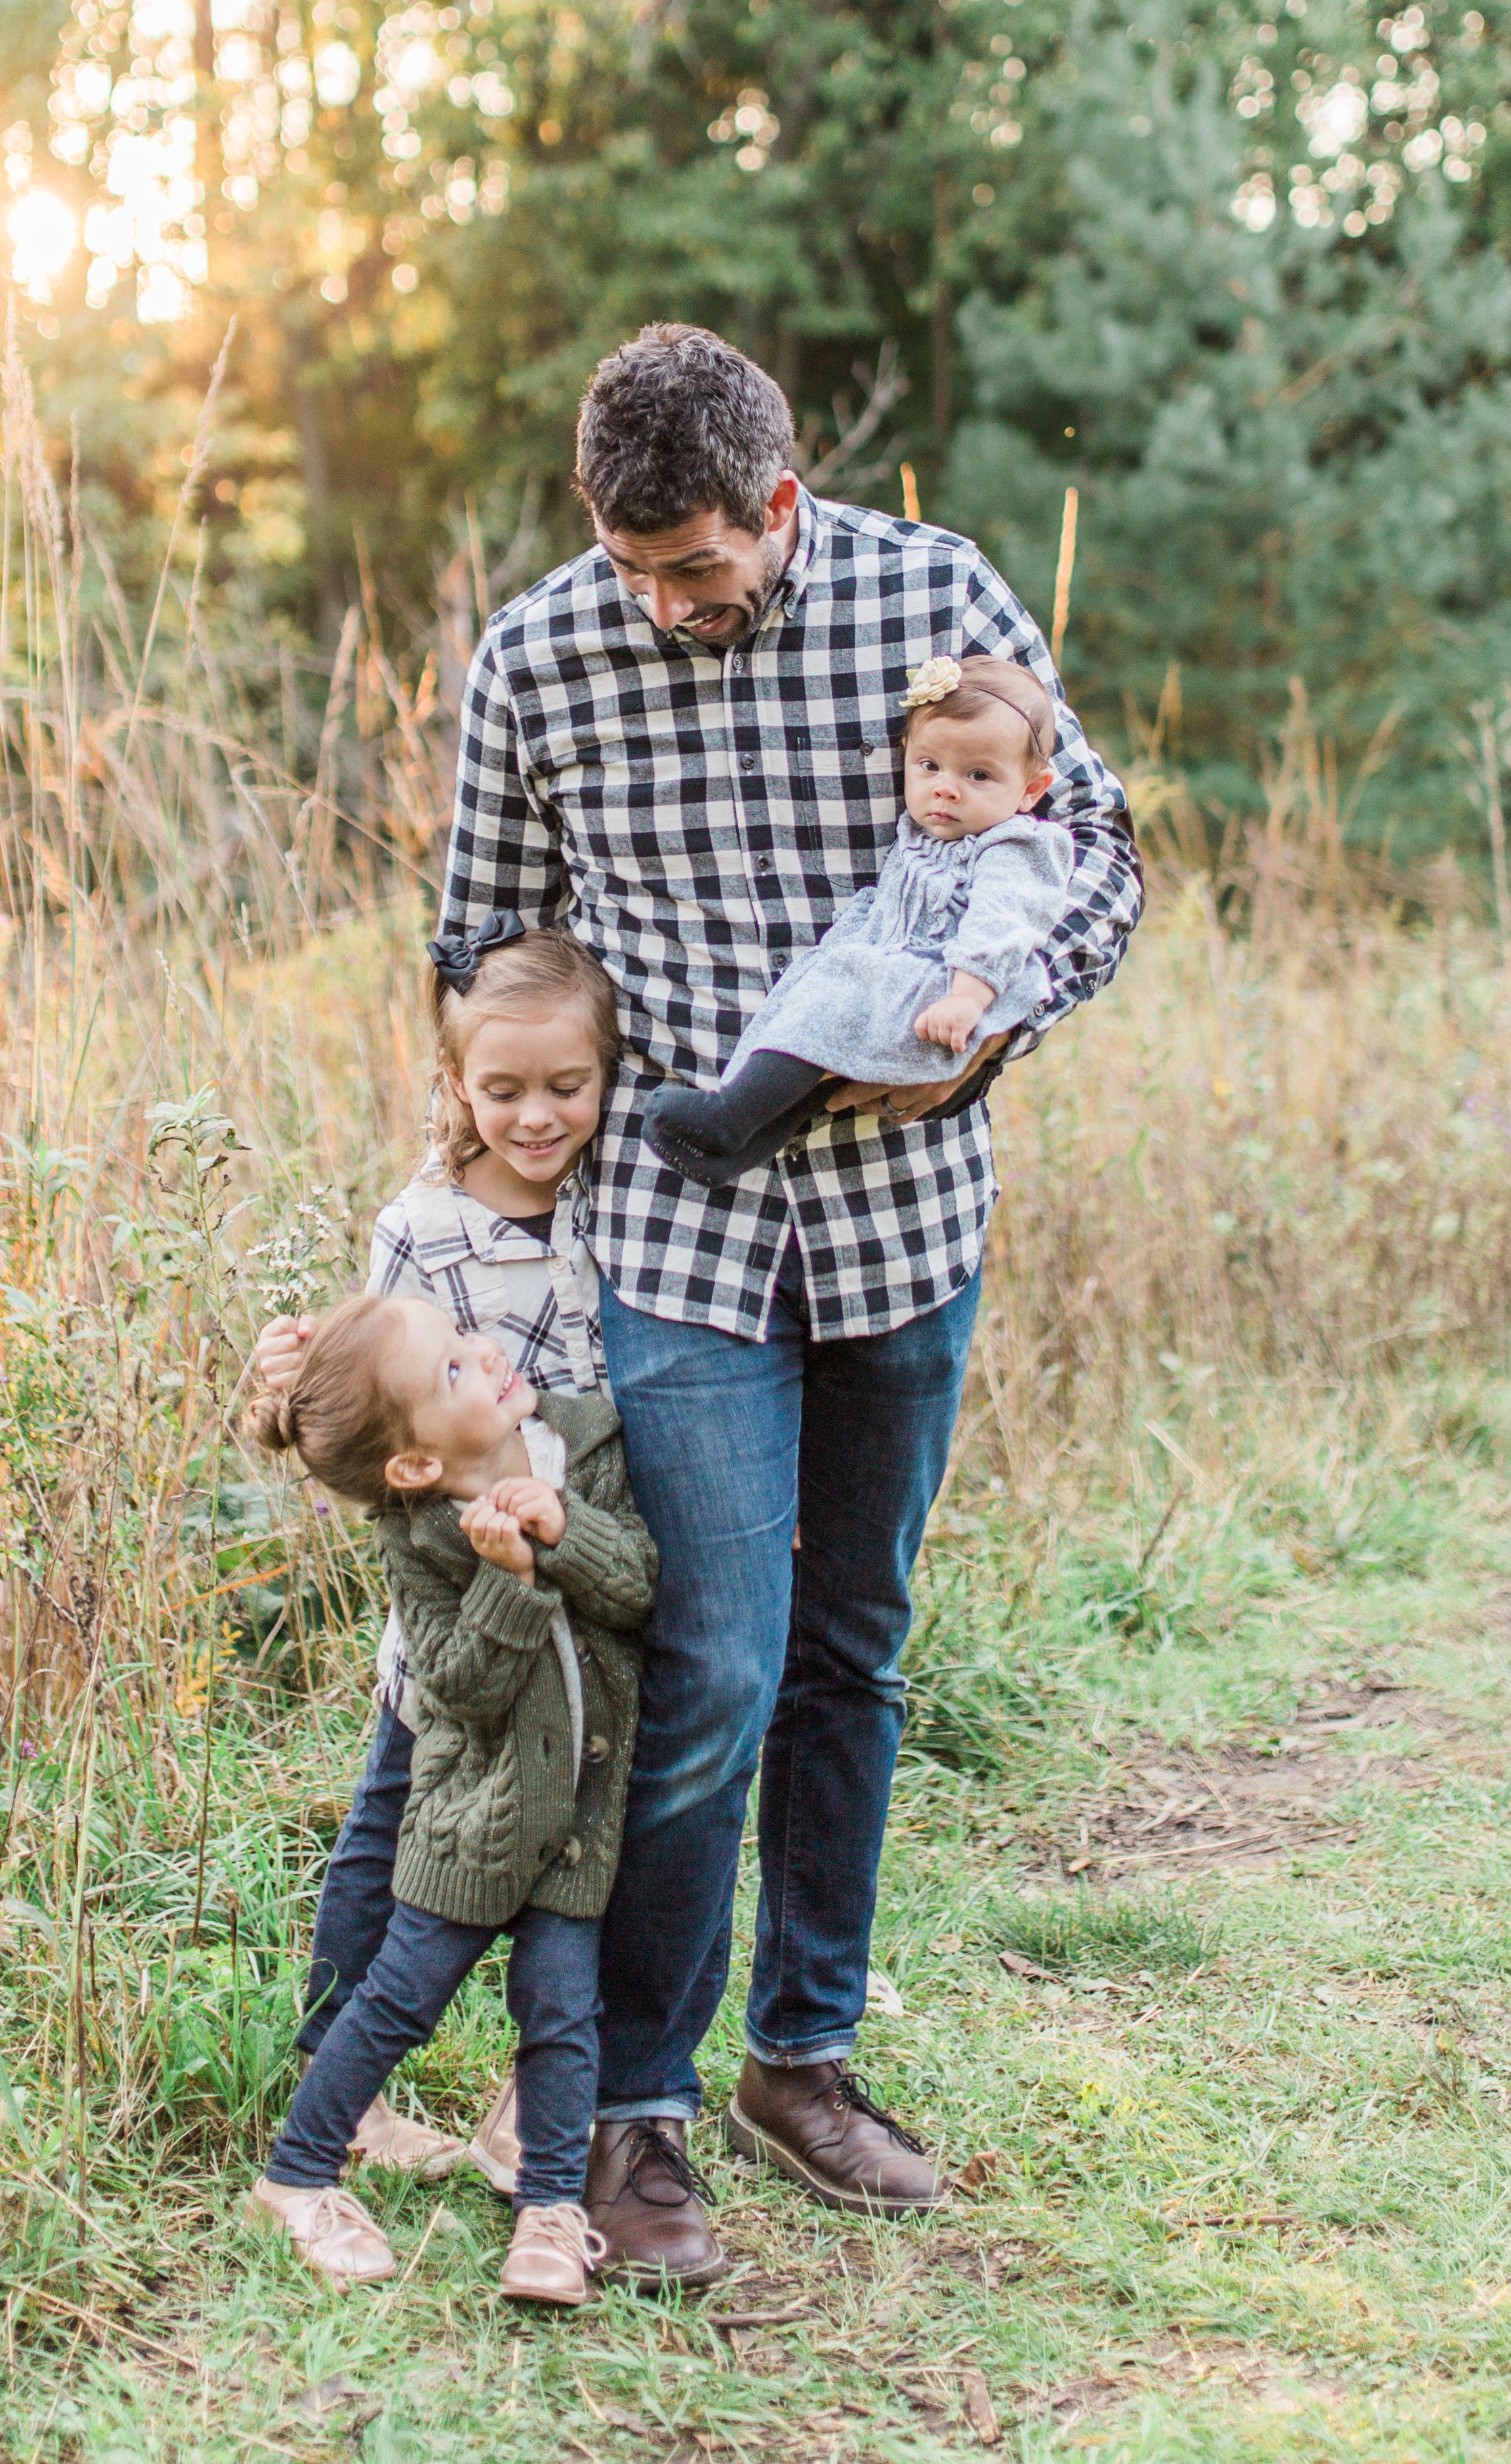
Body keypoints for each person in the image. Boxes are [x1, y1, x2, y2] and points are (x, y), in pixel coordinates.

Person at [436, 323, 1143, 2287]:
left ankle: (804, 2059)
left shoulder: (937, 595)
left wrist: (985, 1021)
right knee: (715, 1658)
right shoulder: (540, 655)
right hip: (677, 1235)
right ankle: (629, 2112)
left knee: (855, 1642)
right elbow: (481, 941)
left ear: (781, 496)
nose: (657, 604)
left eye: (694, 565)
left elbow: (1091, 851)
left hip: (906, 1213)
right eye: (624, 562)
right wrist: (481, 1213)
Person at [252, 928, 618, 2197]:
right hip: (460, 1596)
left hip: (581, 1580)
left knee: (583, 1841)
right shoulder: (421, 1224)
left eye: (565, 1088)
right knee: (392, 1815)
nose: (536, 1117)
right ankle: (337, 2085)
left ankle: (542, 2105)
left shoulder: (612, 1201)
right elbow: (374, 1386)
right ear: (456, 1086)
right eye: (502, 1090)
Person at [244, 1290, 657, 2304]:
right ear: (417, 1464)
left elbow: (643, 1581)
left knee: (562, 2011)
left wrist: (565, 1532)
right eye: (456, 1369)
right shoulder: (420, 1539)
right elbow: (458, 1689)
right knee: (396, 2001)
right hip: (469, 1821)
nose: (487, 1349)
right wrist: (508, 1580)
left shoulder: (582, 1446)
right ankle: (298, 2174)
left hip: (578, 1823)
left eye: (471, 1340)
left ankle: (551, 2211)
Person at [643, 656, 1072, 1186]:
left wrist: (966, 997)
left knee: (827, 1010)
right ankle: (741, 1147)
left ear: (1032, 790)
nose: (946, 788)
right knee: (810, 1014)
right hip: (893, 966)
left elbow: (1002, 921)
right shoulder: (926, 835)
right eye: (929, 766)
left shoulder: (1016, 845)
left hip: (943, 985)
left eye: (979, 775)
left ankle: (727, 1120)